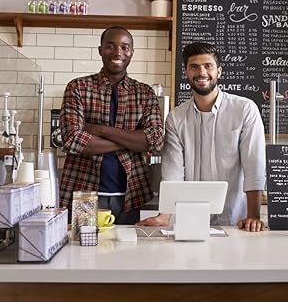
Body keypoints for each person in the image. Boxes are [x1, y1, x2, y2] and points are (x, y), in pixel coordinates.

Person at [139, 42, 266, 232]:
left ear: (219, 71)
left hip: (236, 222)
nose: (202, 72)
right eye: (194, 67)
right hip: (189, 221)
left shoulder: (244, 109)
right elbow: (173, 172)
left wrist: (254, 216)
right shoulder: (176, 118)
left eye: (208, 66)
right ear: (187, 72)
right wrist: (164, 216)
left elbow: (253, 165)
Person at [59, 26, 164, 224]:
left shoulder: (145, 93)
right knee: (83, 252)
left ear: (132, 52)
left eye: (125, 47)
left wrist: (99, 130)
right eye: (110, 46)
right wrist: (134, 139)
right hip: (84, 194)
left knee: (125, 253)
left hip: (131, 195)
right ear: (100, 50)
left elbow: (155, 141)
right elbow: (73, 140)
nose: (118, 52)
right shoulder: (78, 87)